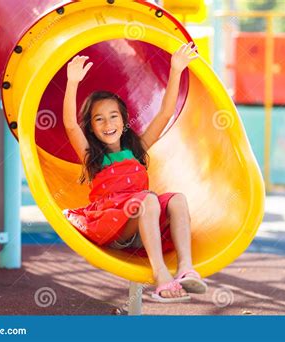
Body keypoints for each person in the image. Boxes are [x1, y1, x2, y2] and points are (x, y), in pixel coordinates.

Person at [62, 43, 207, 303]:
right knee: (148, 199)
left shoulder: (136, 149)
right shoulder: (93, 157)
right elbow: (70, 125)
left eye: (113, 116)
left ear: (124, 119)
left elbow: (164, 114)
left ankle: (185, 268)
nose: (108, 124)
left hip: (145, 223)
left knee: (176, 199)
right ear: (91, 127)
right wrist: (72, 82)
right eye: (99, 119)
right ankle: (160, 275)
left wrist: (175, 70)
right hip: (115, 227)